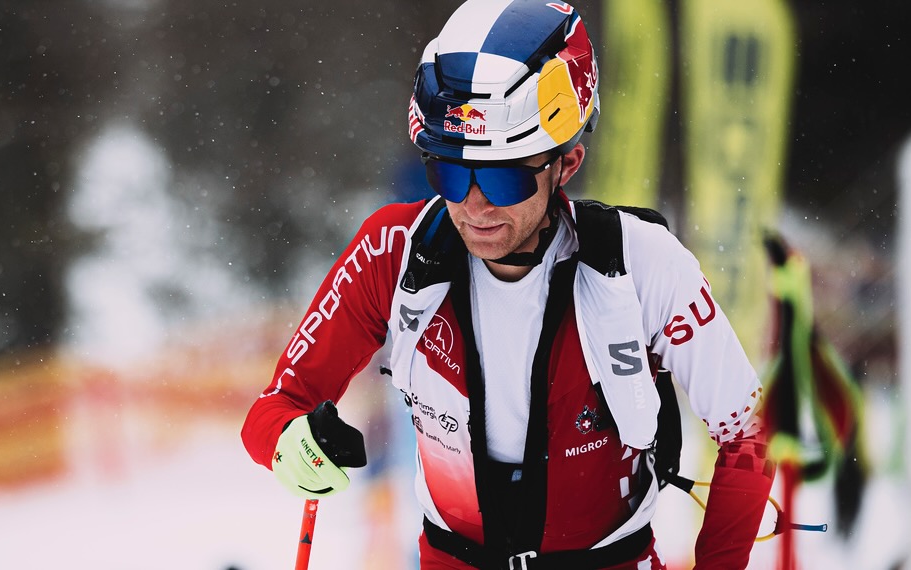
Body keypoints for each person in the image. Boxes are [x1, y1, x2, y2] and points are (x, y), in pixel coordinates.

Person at [241, 1, 775, 568]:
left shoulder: (642, 264)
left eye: (501, 176)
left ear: (565, 164)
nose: (473, 204)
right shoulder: (392, 251)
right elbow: (274, 409)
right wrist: (290, 444)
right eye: (448, 169)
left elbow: (749, 433)